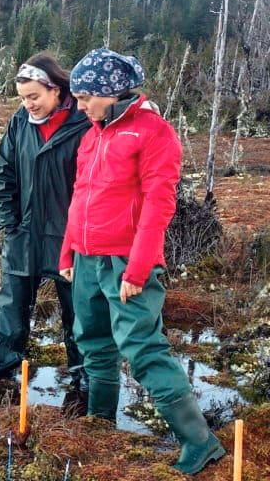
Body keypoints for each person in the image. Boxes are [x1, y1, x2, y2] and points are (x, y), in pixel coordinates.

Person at [58, 48, 226, 475]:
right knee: (93, 341)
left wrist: (139, 267)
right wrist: (68, 250)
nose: (79, 106)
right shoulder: (93, 133)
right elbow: (80, 195)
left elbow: (159, 204)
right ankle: (101, 423)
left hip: (127, 263)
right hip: (86, 259)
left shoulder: (154, 132)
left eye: (84, 98)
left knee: (144, 349)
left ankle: (200, 442)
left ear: (111, 93)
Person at [0, 53, 90, 396]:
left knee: (78, 310)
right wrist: (9, 222)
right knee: (11, 302)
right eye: (22, 98)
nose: (28, 105)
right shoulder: (19, 122)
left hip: (68, 237)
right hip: (23, 231)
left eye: (34, 97)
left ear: (55, 89)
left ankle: (84, 374)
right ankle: (2, 363)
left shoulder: (83, 123)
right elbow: (5, 174)